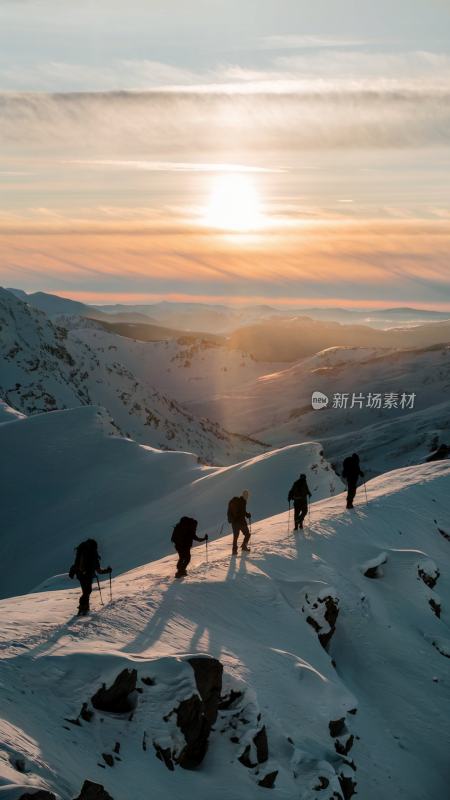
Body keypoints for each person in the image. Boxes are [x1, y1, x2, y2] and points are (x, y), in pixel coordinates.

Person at [69, 539, 111, 615]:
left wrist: (72, 572)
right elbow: (99, 571)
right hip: (88, 576)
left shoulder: (81, 552)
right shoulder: (93, 555)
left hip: (80, 575)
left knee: (85, 591)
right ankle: (83, 606)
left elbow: (76, 564)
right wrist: (108, 571)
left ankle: (85, 608)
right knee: (87, 591)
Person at [227, 490, 251, 554]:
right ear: (245, 495)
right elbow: (242, 512)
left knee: (235, 536)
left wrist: (247, 515)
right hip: (241, 522)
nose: (247, 497)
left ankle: (234, 551)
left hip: (234, 522)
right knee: (247, 534)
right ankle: (244, 546)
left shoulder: (239, 501)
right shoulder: (243, 502)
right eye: (247, 495)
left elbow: (242, 511)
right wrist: (247, 515)